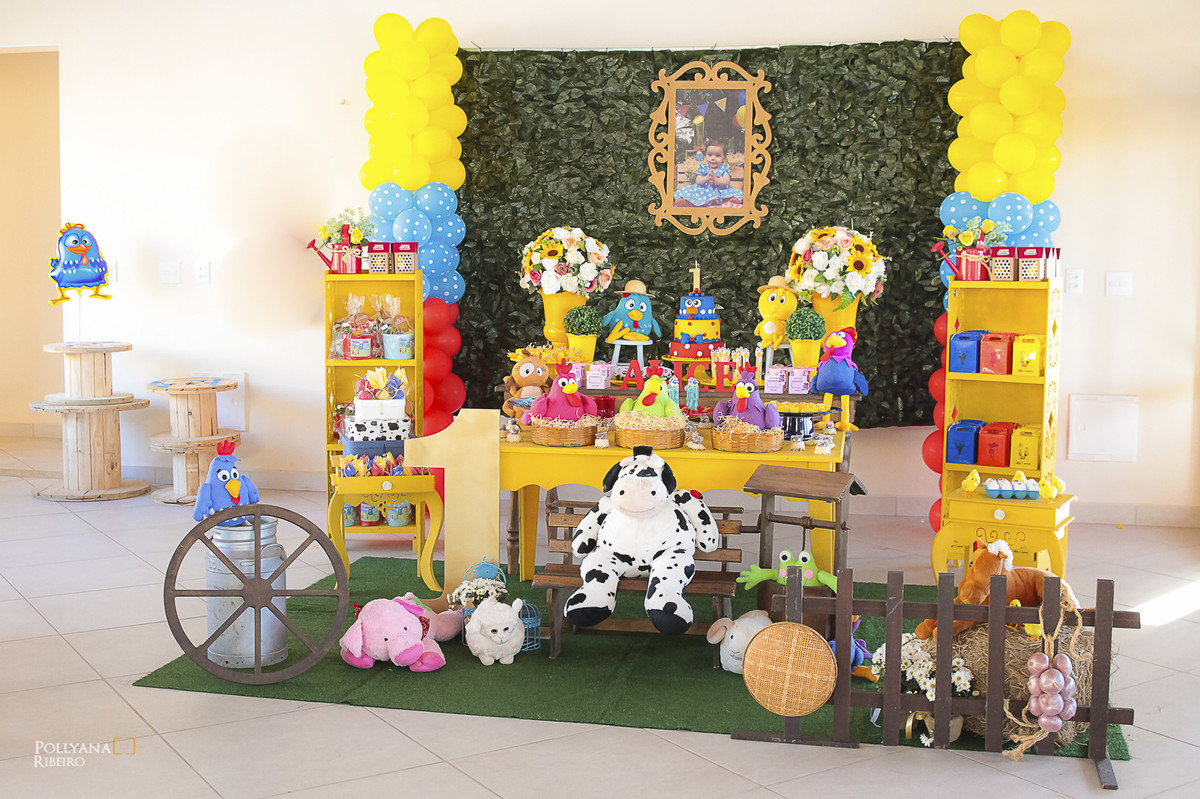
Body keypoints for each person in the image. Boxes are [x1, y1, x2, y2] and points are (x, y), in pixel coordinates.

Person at [674, 139, 744, 207]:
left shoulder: (724, 168)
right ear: (705, 155)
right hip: (703, 193)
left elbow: (726, 182)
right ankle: (687, 203)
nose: (713, 158)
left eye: (717, 155)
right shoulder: (703, 168)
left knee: (728, 195)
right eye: (710, 155)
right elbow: (698, 181)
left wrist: (716, 180)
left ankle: (730, 201)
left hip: (720, 192)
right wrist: (706, 178)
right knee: (692, 196)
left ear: (724, 157)